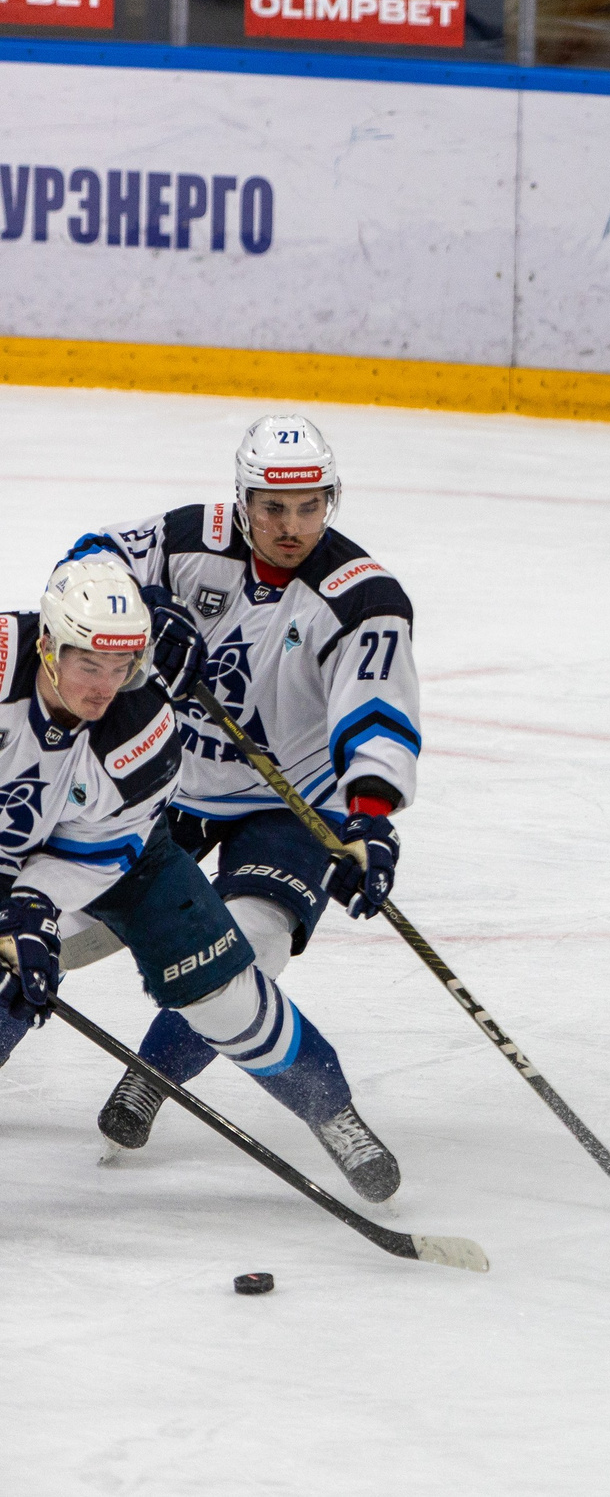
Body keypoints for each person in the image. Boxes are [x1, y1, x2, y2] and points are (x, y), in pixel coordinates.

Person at [62, 413, 420, 1166]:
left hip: (288, 801)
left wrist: (371, 819)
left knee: (245, 947)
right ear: (243, 498)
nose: (291, 527)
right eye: (272, 508)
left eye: (310, 506)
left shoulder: (363, 598)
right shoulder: (193, 536)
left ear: (332, 498)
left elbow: (376, 712)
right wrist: (151, 610)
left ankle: (149, 1077)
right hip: (165, 784)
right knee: (52, 933)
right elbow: (90, 564)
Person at [0, 558, 401, 1201]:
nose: (106, 686)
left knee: (225, 992)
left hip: (120, 860)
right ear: (48, 643)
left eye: (123, 664)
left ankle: (329, 1107)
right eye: (89, 665)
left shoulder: (145, 728)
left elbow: (101, 849)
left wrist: (34, 905)